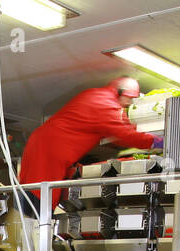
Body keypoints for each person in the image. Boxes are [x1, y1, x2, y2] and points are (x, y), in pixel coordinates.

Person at [17, 76, 161, 214]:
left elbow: (119, 129)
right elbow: (124, 134)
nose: (129, 103)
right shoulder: (106, 105)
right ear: (120, 92)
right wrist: (156, 141)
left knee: (30, 191)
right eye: (129, 98)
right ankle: (34, 233)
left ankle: (29, 229)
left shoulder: (97, 95)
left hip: (42, 144)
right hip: (50, 151)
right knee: (40, 198)